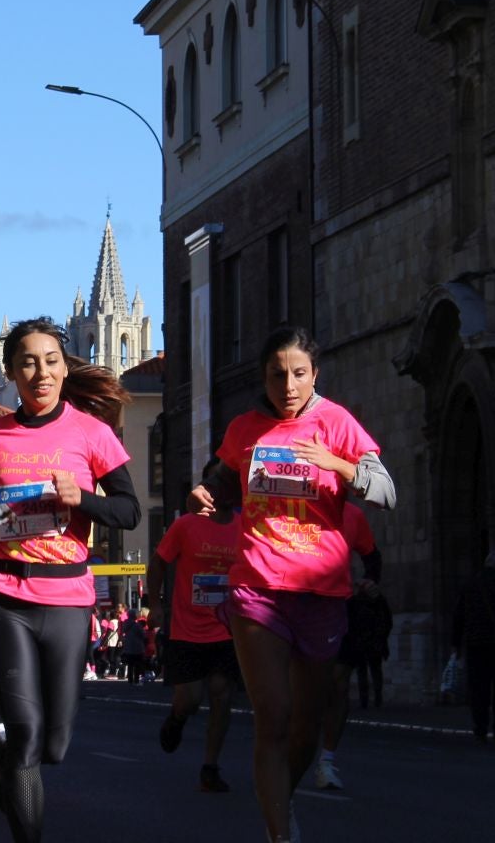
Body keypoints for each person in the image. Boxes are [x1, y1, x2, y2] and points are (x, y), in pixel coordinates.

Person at [188, 324, 396, 843]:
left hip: (321, 593)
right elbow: (221, 476)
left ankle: (282, 799)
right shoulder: (245, 428)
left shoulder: (337, 423)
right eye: (278, 374)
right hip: (257, 587)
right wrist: (204, 492)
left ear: (314, 374)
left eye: (298, 374)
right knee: (273, 716)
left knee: (307, 724)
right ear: (264, 376)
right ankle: (280, 833)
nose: (288, 385)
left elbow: (387, 492)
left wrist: (339, 465)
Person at [0, 317, 141, 843]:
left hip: (69, 598)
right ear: (10, 372)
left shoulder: (92, 434)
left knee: (53, 746)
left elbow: (128, 511)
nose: (40, 371)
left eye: (51, 360)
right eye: (27, 362)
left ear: (63, 366)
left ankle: (2, 751)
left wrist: (83, 499)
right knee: (28, 735)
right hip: (6, 597)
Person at [155, 470, 243, 793]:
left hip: (226, 629)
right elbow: (158, 562)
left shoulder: (243, 529)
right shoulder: (186, 525)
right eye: (221, 484)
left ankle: (210, 767)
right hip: (187, 630)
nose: (227, 491)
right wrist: (156, 606)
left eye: (232, 485)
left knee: (222, 693)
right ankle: (177, 718)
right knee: (190, 699)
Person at [315, 500, 382, 788]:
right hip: (300, 606)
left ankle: (327, 760)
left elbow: (372, 556)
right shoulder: (300, 506)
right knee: (307, 688)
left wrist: (370, 580)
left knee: (339, 684)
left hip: (340, 607)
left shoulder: (353, 515)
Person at [453, 550, 495, 743]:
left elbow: (459, 614)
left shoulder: (470, 584)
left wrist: (456, 642)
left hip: (475, 642)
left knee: (478, 687)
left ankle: (480, 727)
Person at [345, 578, 392, 709]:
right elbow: (387, 621)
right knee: (376, 670)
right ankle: (377, 699)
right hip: (375, 642)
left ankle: (364, 700)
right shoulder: (380, 601)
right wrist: (382, 637)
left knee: (363, 672)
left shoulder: (356, 602)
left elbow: (350, 623)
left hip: (361, 642)